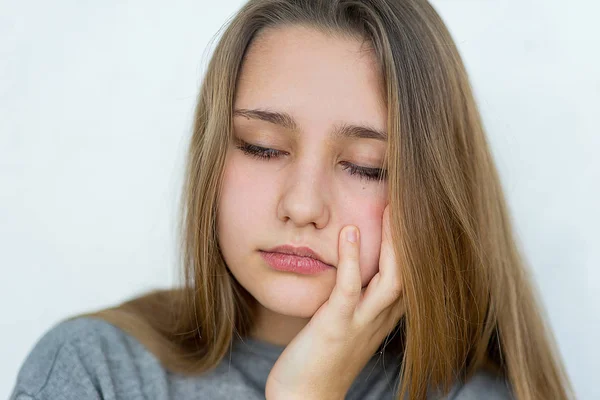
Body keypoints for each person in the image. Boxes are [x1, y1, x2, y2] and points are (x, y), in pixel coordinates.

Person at [10, 0, 574, 399]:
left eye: (365, 166)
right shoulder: (95, 370)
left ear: (430, 191)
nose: (302, 206)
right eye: (262, 148)